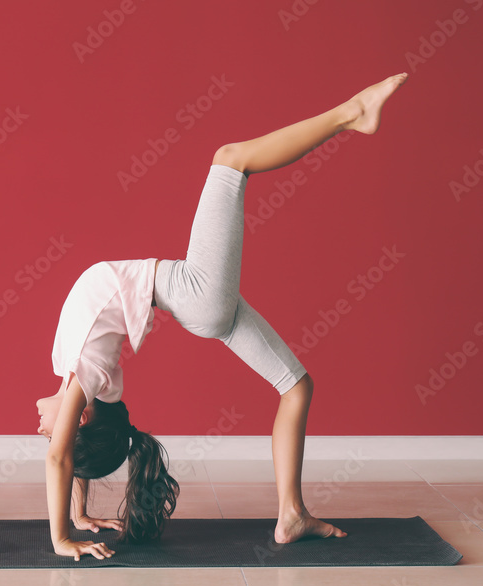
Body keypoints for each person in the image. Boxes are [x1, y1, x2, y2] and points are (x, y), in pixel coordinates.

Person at [36, 72, 408, 561]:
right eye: (50, 429)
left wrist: (80, 516)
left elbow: (75, 450)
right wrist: (62, 536)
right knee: (230, 160)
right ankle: (350, 114)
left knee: (296, 386)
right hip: (193, 292)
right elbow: (63, 456)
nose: (41, 427)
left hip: (197, 305)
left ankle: (291, 515)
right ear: (79, 417)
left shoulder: (86, 381)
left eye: (48, 430)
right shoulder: (87, 374)